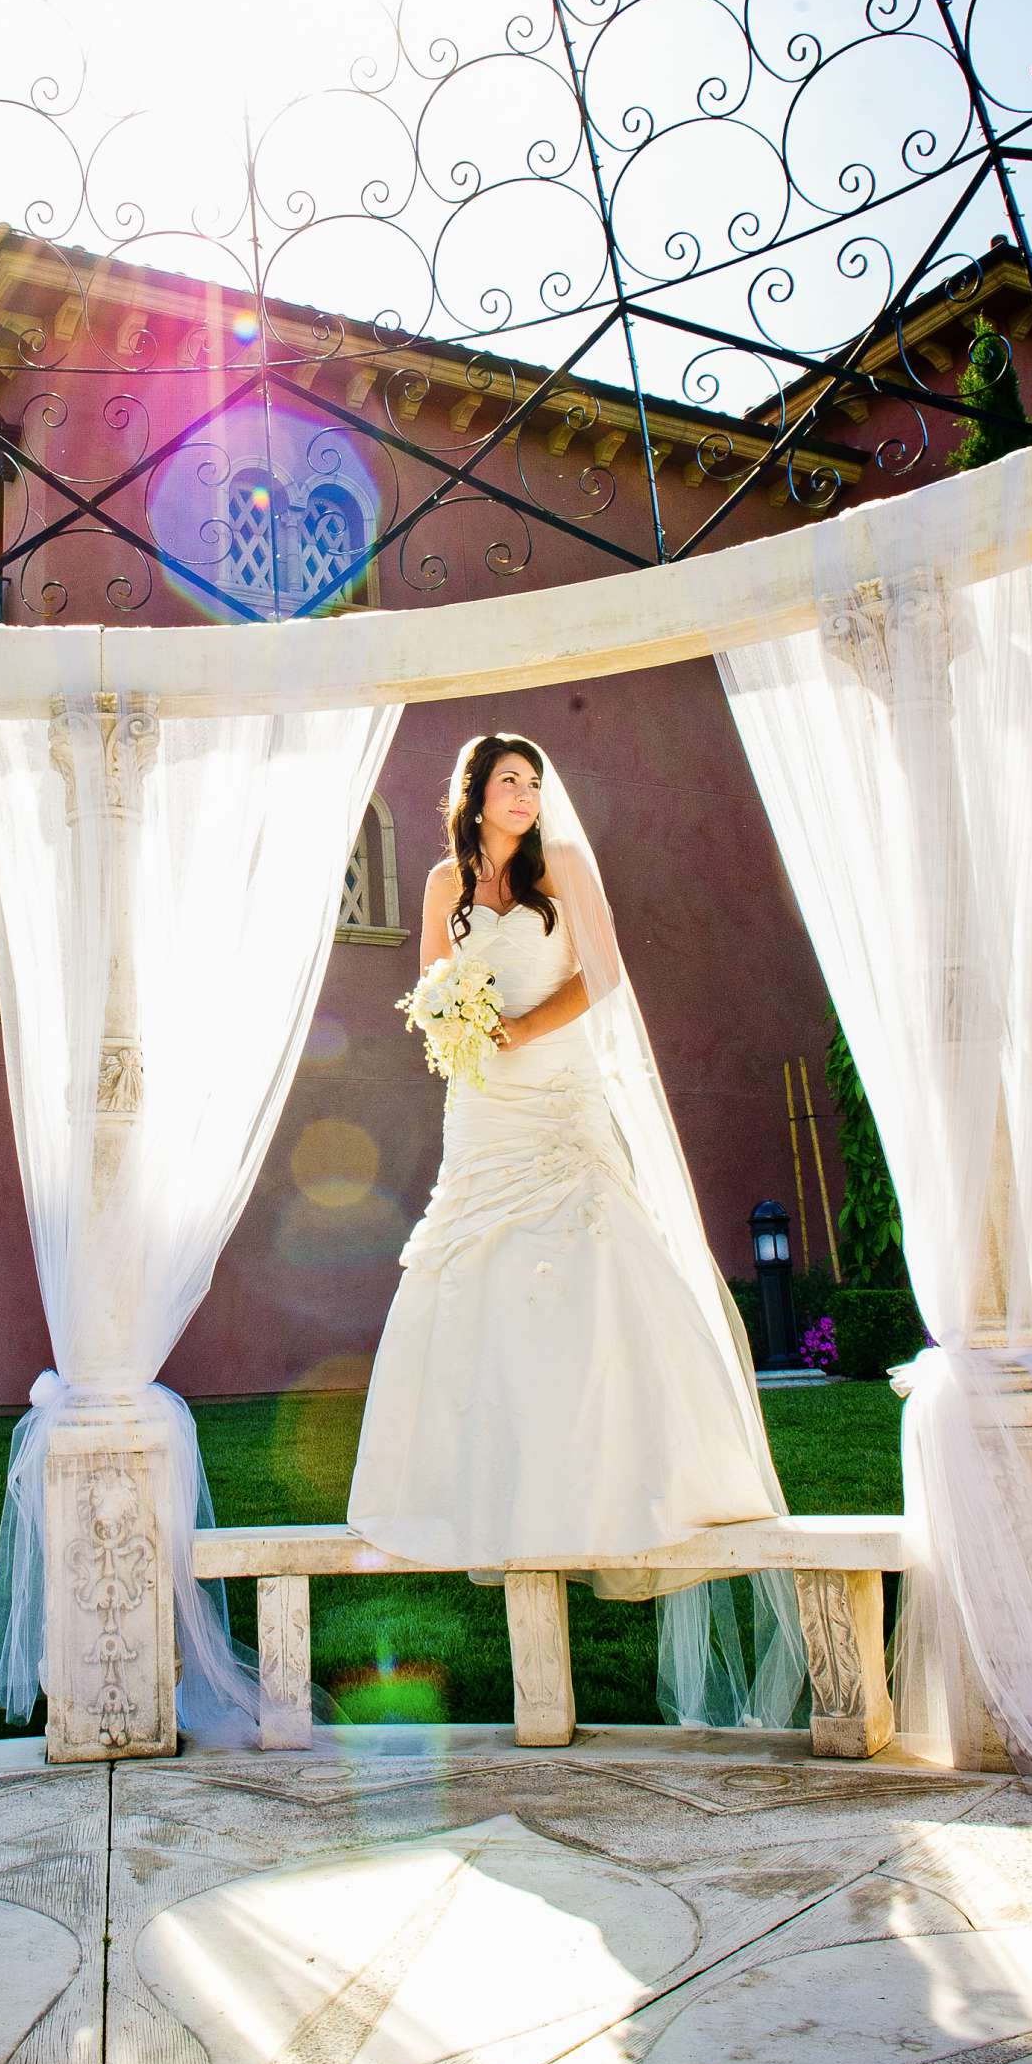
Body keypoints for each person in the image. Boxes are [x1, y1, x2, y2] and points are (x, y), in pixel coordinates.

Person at [347, 733, 805, 1722]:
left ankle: (643, 1467)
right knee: (474, 1269)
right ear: (473, 795)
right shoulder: (440, 883)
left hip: (555, 1090)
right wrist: (455, 1025)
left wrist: (516, 1030)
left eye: (532, 783)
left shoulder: (566, 867)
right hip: (479, 1106)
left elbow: (599, 977)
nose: (523, 795)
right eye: (507, 782)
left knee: (594, 1251)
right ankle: (499, 1473)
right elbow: (431, 989)